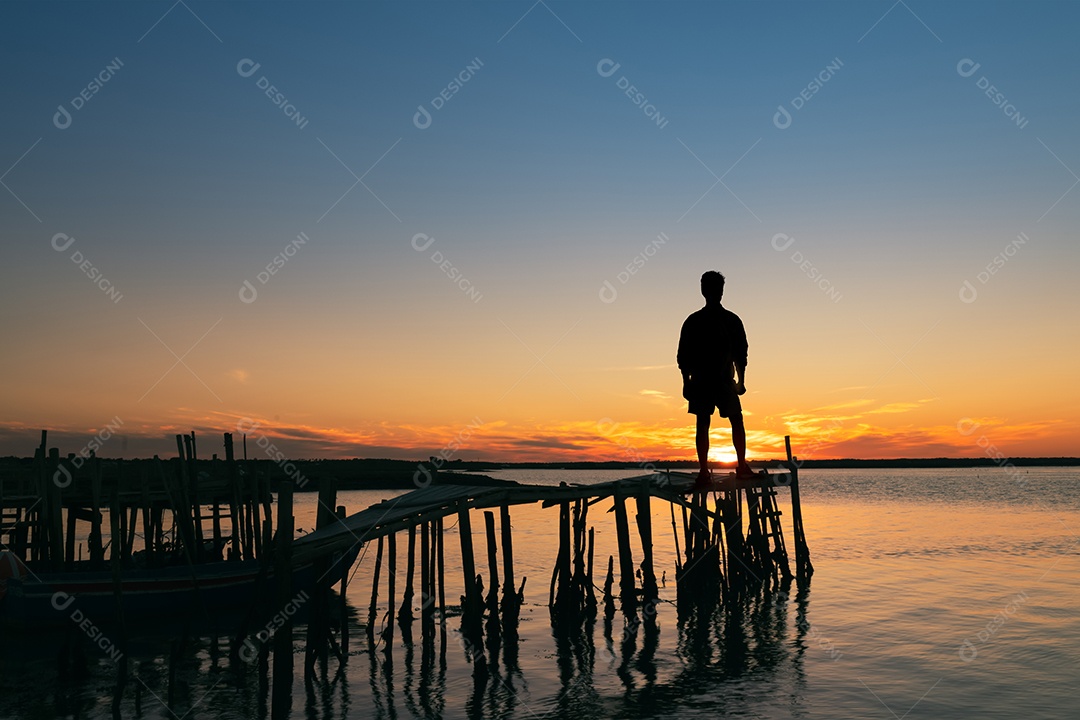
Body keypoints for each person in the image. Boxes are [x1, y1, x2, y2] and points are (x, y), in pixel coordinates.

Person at [677, 270, 753, 485]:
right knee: (718, 422)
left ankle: (732, 467)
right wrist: (686, 382)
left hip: (717, 381)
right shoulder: (698, 321)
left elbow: (740, 352)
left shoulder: (724, 320)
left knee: (719, 421)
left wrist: (741, 380)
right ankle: (711, 470)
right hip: (709, 381)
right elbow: (684, 355)